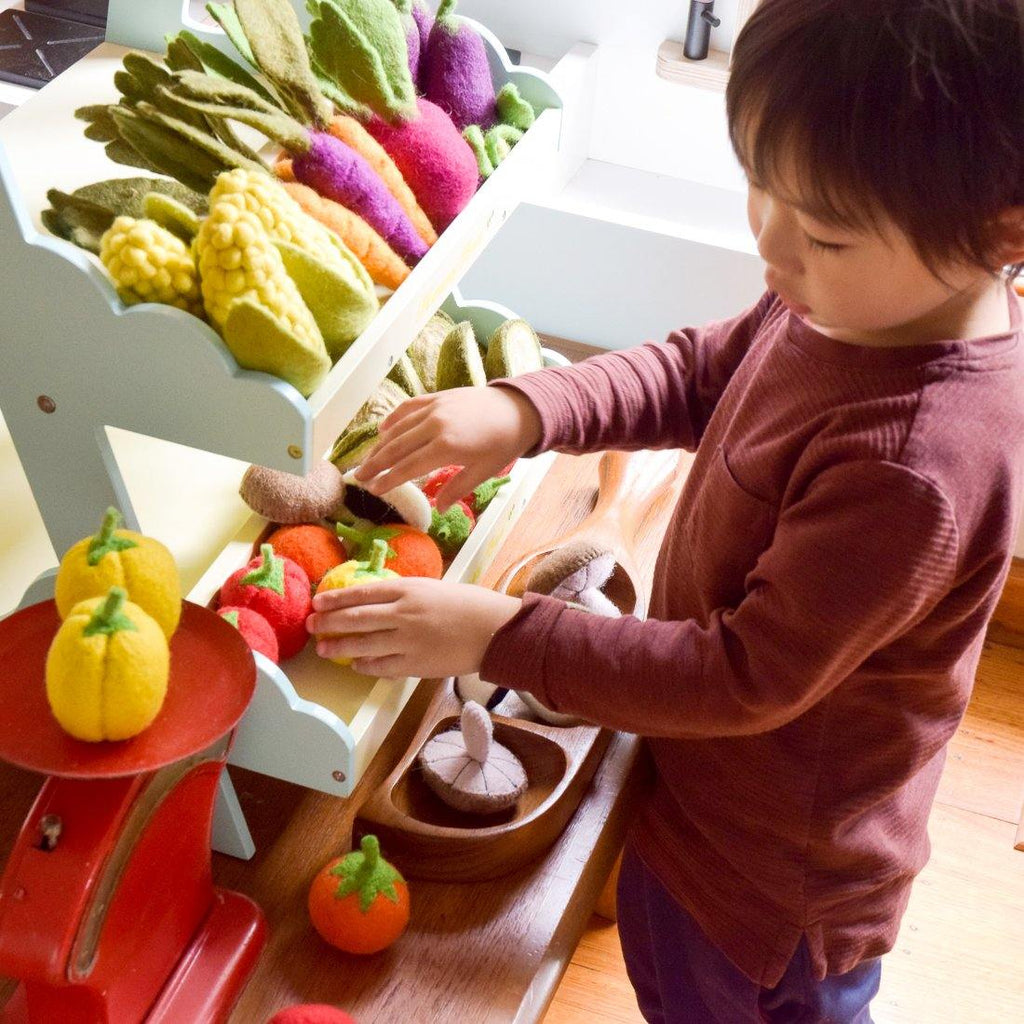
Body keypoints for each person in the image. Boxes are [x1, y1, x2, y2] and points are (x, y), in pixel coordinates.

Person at [306, 1, 1024, 1020]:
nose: (770, 248)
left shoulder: (913, 462)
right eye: (760, 190)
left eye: (821, 230)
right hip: (703, 794)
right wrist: (525, 407)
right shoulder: (854, 299)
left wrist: (496, 633)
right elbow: (699, 371)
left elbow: (738, 676)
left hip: (766, 886)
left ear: (1004, 228)